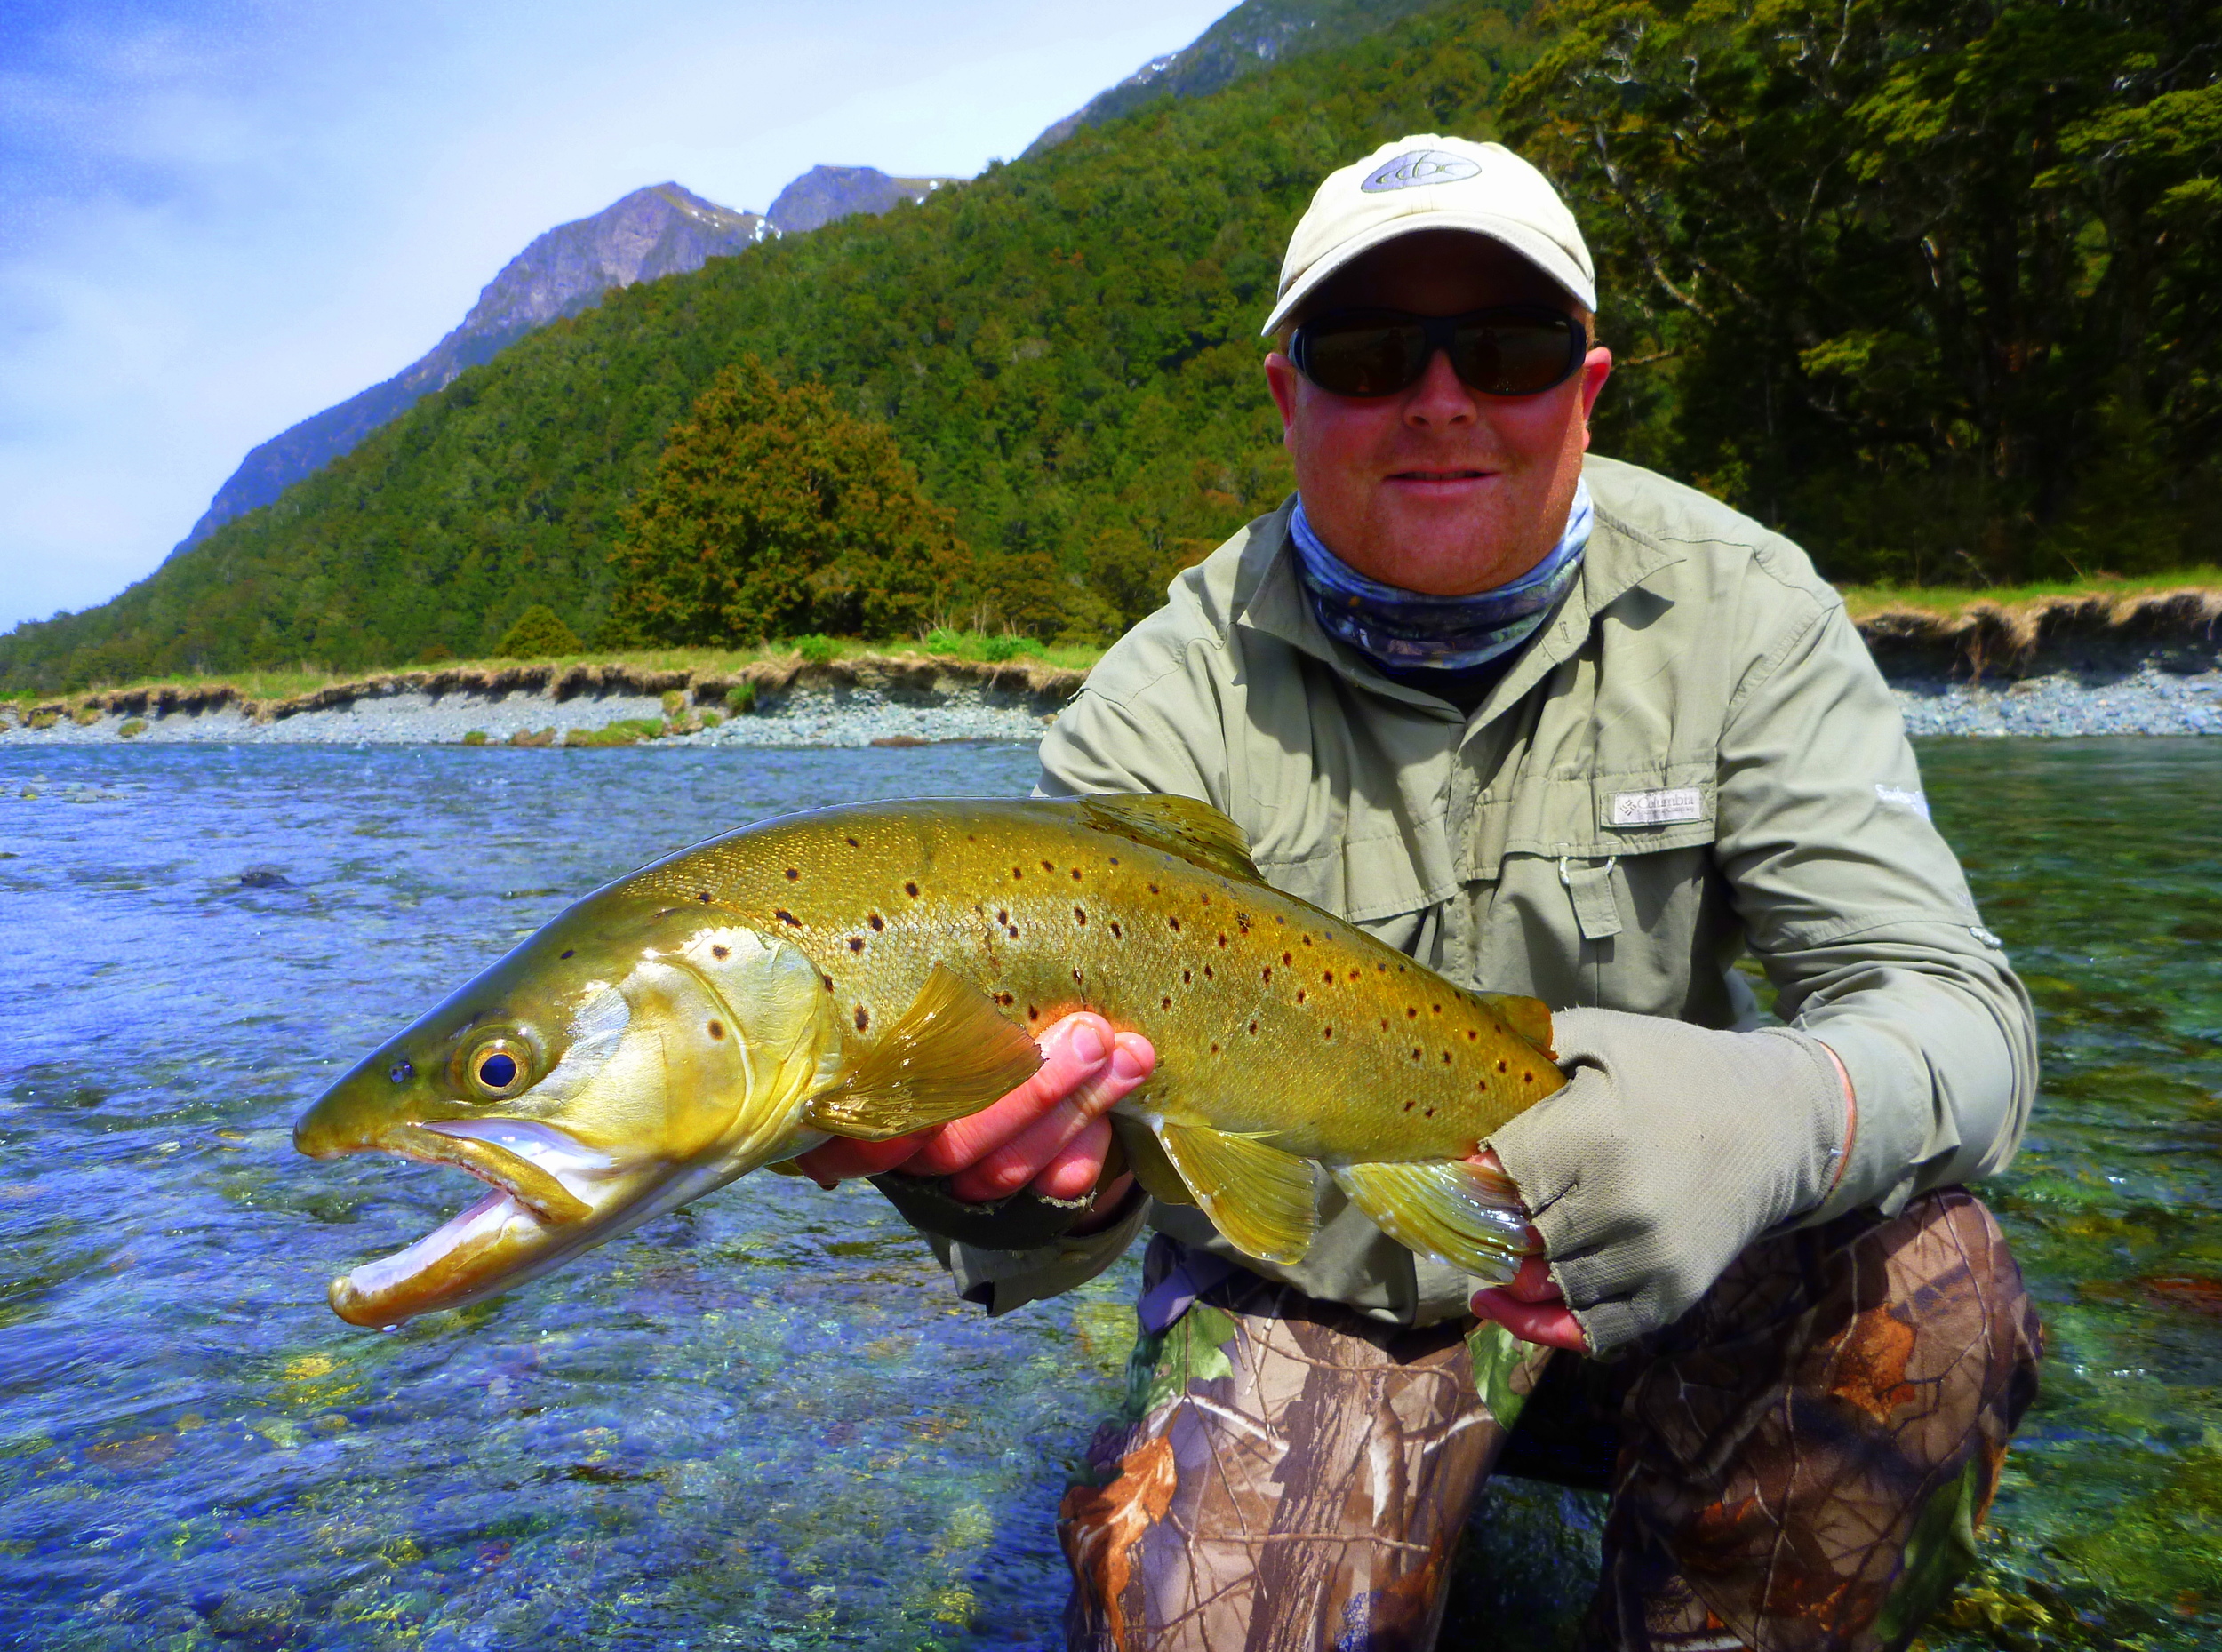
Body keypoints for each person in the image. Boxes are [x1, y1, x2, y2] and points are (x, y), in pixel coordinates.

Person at [799, 135, 2042, 1651]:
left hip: (1670, 1277)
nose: (1440, 398)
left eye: (1505, 349)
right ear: (1289, 397)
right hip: (1323, 1301)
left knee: (1938, 1286)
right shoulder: (1155, 709)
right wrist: (994, 1181)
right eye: (1372, 349)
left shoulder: (1746, 611)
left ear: (1583, 392)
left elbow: (1967, 1024)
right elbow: (1056, 1220)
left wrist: (1768, 1118)